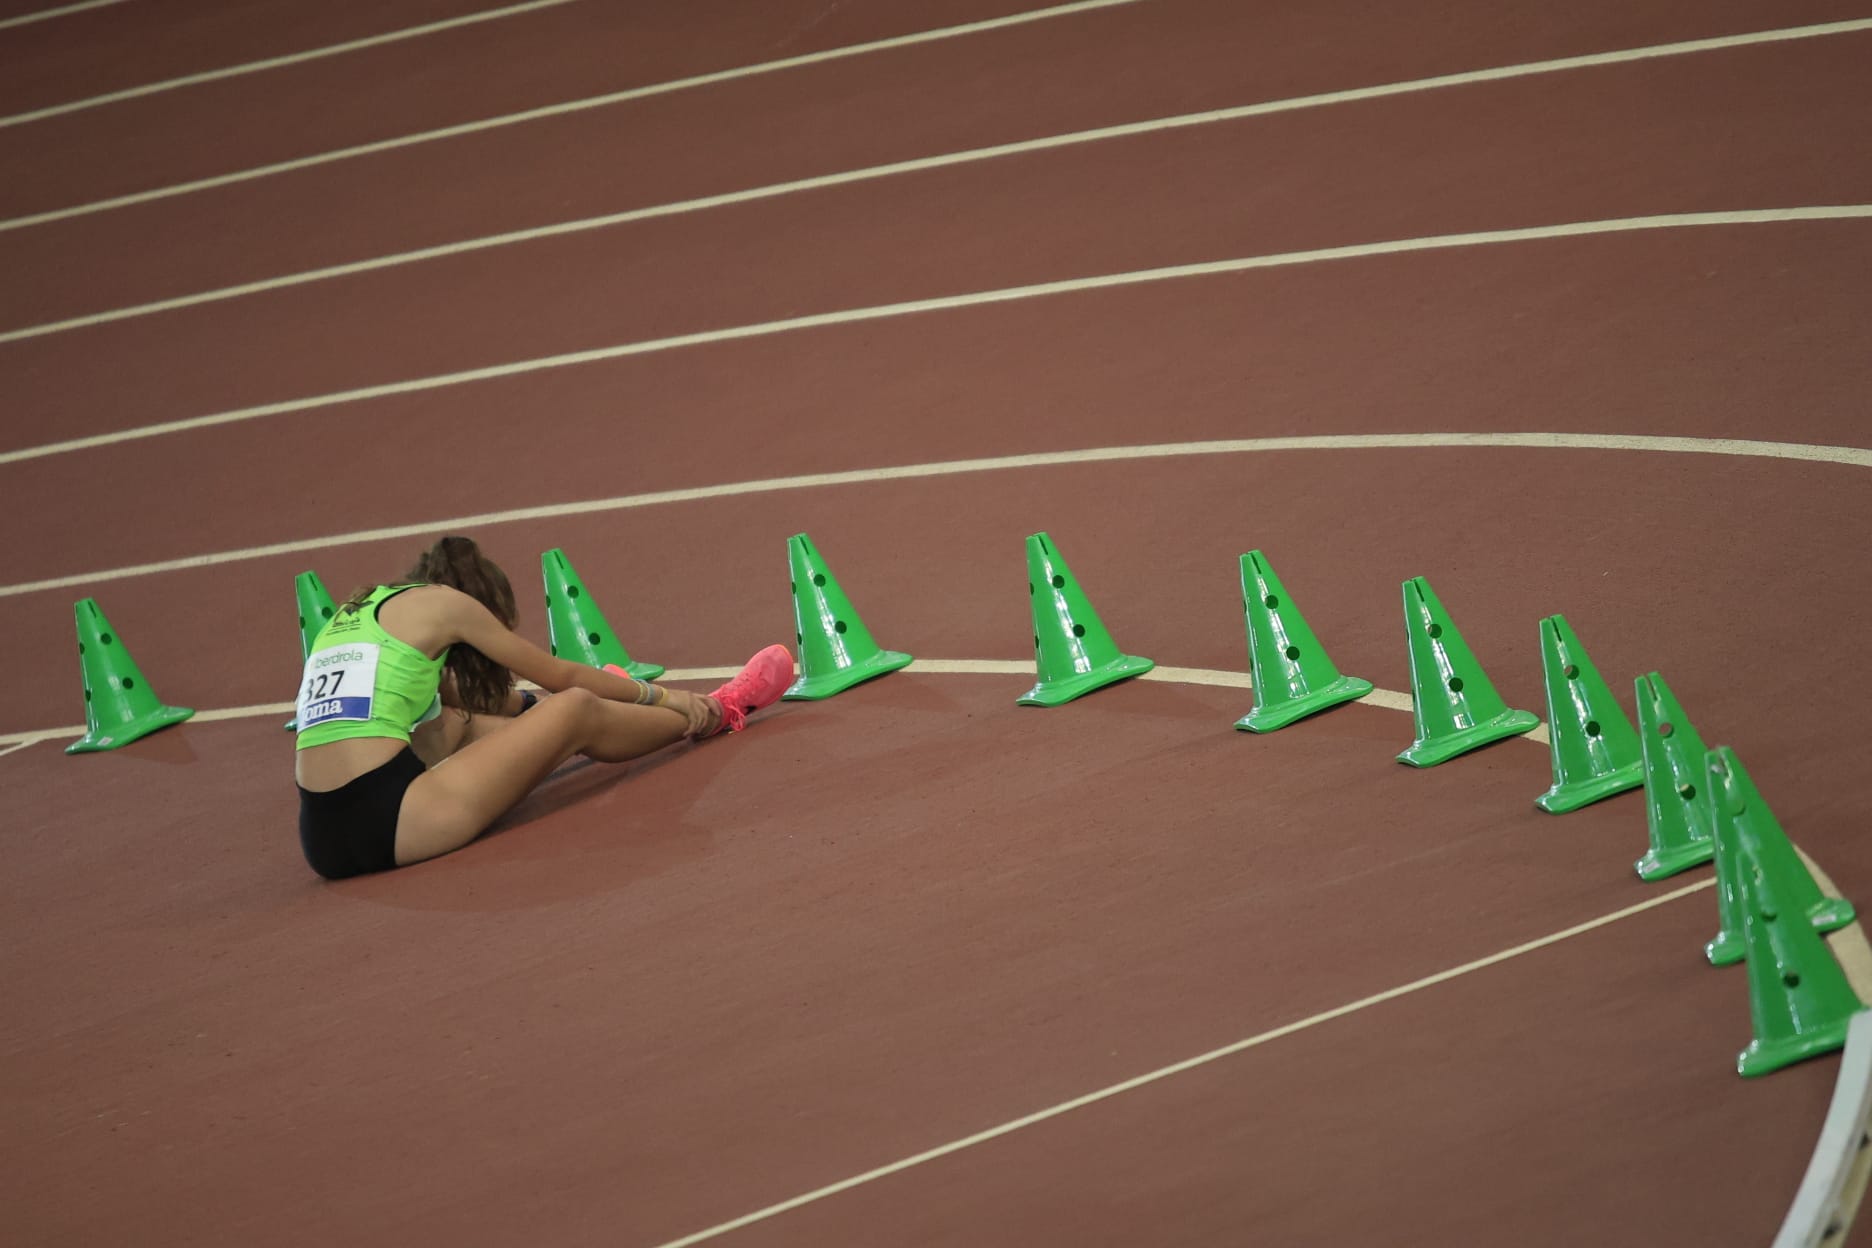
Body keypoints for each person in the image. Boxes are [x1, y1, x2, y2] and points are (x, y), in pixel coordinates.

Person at [293, 535, 792, 879]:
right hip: (391, 822)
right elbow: (565, 676)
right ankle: (717, 710)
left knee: (456, 724)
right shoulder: (446, 604)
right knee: (575, 708)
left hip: (322, 840)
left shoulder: (354, 612)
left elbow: (446, 704)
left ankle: (577, 721)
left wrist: (529, 707)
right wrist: (665, 695)